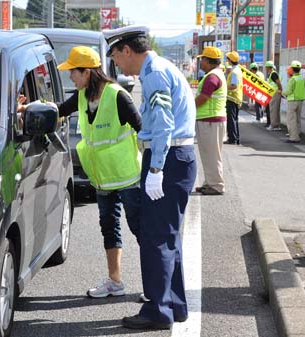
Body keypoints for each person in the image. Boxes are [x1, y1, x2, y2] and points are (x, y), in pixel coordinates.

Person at [21, 46, 143, 298]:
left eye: (73, 73)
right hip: (102, 178)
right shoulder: (81, 96)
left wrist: (155, 170)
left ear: (87, 72)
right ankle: (115, 281)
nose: (71, 78)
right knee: (109, 228)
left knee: (141, 228)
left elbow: (143, 129)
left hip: (128, 177)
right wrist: (25, 109)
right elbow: (57, 110)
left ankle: (155, 284)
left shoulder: (117, 96)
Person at [104, 25, 196, 330]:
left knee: (156, 238)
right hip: (177, 158)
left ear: (127, 50)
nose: (116, 62)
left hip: (167, 160)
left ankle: (158, 311)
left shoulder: (154, 72)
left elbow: (164, 126)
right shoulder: (160, 68)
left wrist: (155, 170)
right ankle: (174, 305)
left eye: (116, 55)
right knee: (168, 238)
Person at [194, 46, 227, 196]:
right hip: (213, 119)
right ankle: (210, 182)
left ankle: (216, 185)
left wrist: (189, 107)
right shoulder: (217, 74)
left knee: (211, 154)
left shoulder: (212, 77)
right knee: (210, 154)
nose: (201, 62)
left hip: (210, 120)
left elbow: (203, 98)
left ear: (208, 60)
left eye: (202, 59)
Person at [282, 60, 305, 143]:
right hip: (300, 100)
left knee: (291, 119)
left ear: (292, 69)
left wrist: (281, 92)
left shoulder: (292, 79)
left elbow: (288, 91)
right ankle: (297, 135)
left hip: (292, 101)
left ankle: (293, 138)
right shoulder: (301, 78)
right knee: (297, 119)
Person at [224, 51, 243, 145]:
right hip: (236, 97)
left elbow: (234, 85)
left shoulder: (234, 72)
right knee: (234, 119)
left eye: (228, 59)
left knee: (231, 120)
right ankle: (236, 138)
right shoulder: (237, 70)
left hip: (232, 97)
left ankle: (232, 139)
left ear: (230, 60)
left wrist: (224, 87)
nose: (227, 60)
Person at [265, 60, 283, 130]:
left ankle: (274, 125)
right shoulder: (272, 74)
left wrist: (280, 90)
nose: (266, 69)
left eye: (266, 67)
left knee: (273, 110)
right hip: (274, 93)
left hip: (275, 93)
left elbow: (278, 82)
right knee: (275, 110)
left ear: (269, 67)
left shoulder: (273, 74)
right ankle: (276, 125)